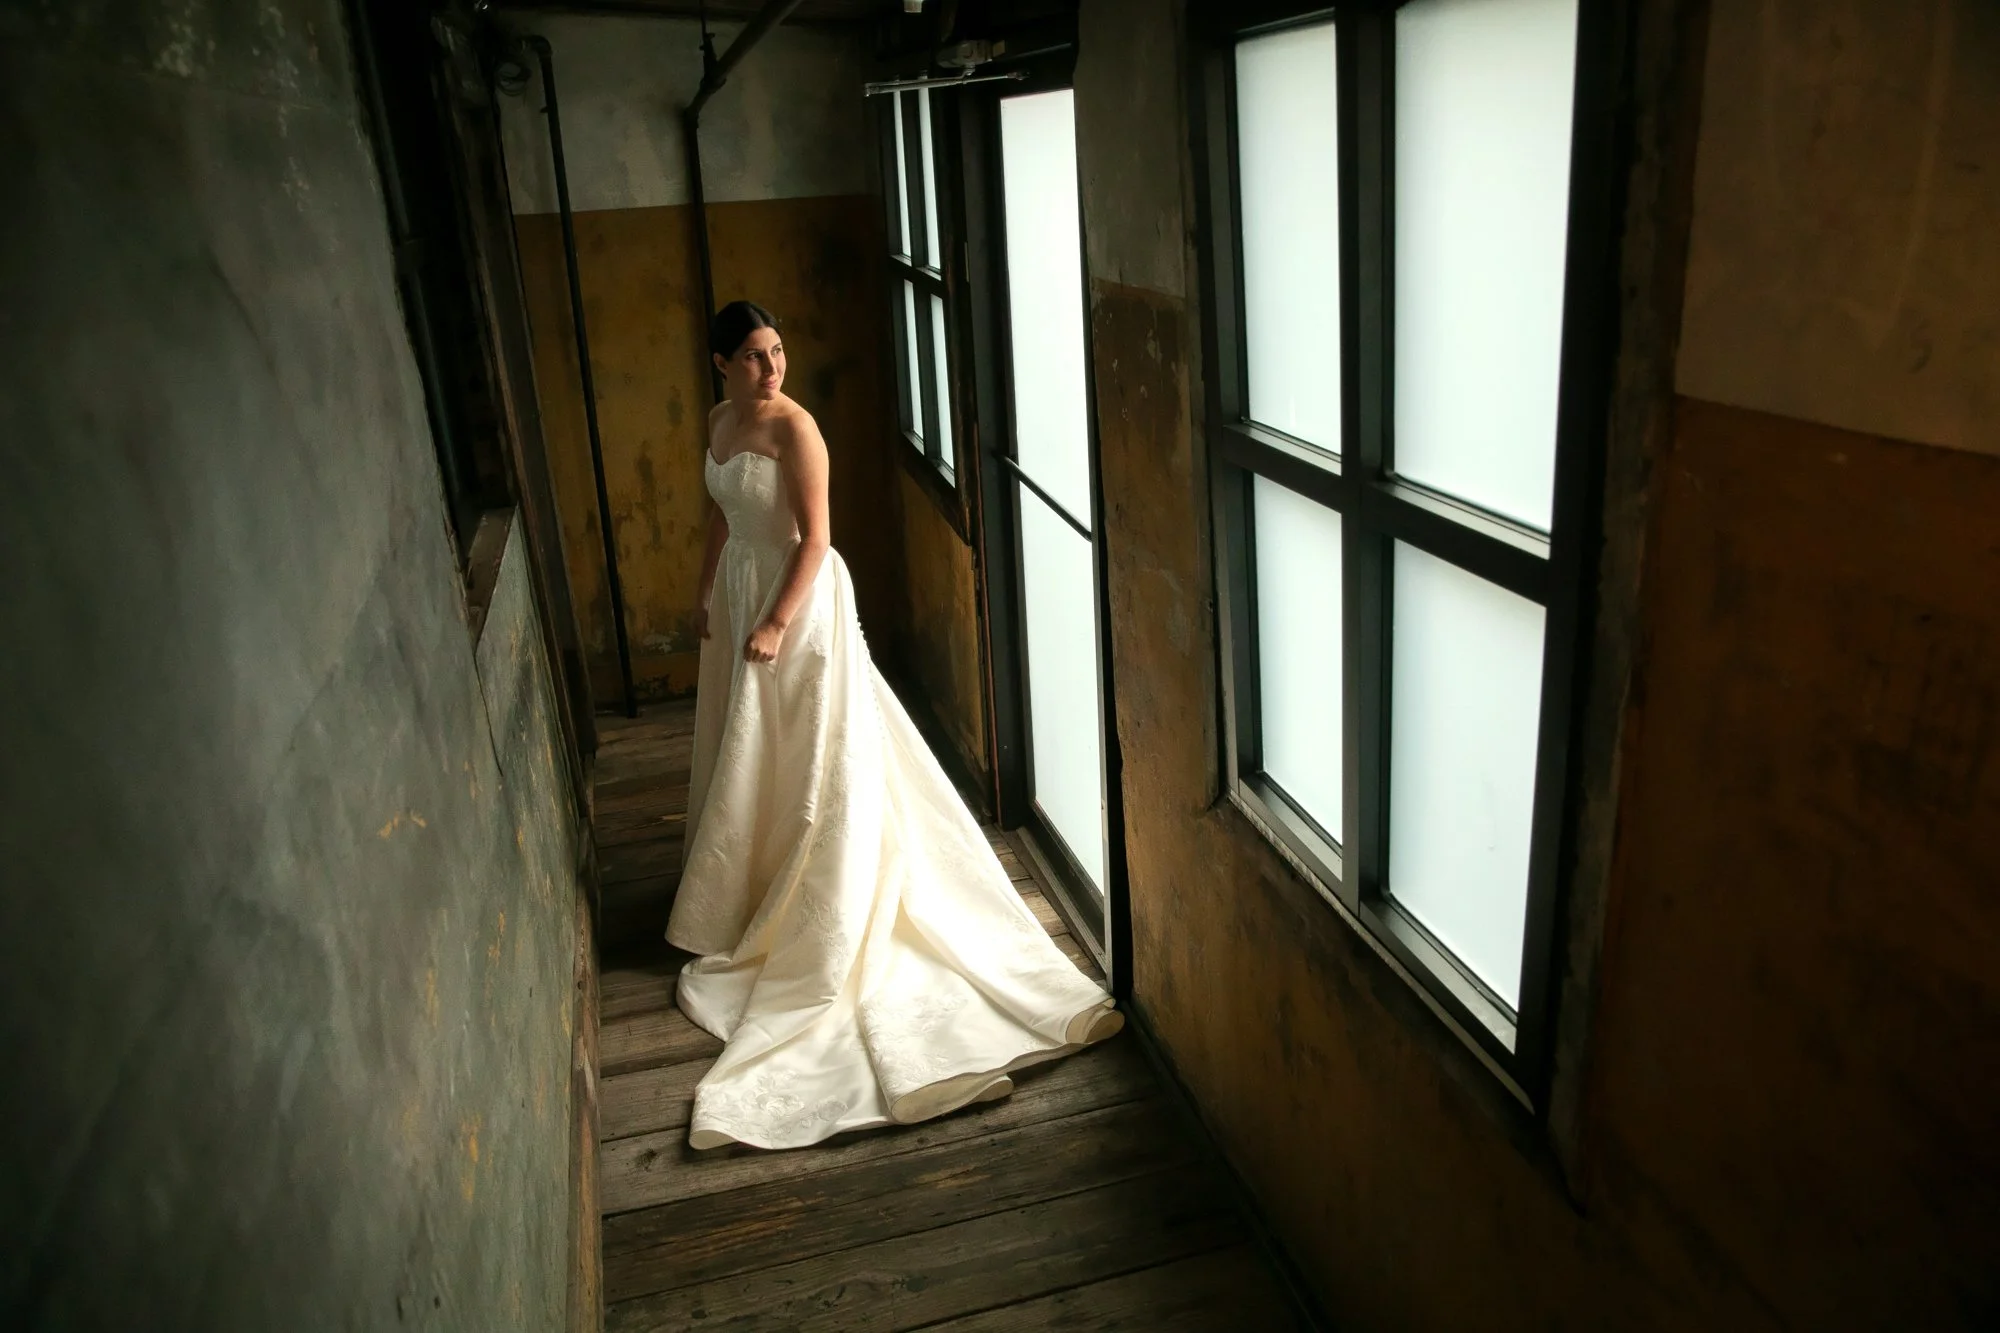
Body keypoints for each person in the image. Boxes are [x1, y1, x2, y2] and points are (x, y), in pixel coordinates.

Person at [666, 300, 1123, 1151]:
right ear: (721, 364)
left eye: (778, 350)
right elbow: (722, 516)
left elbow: (815, 540)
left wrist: (774, 621)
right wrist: (707, 590)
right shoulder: (721, 420)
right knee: (748, 748)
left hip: (796, 603)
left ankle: (824, 886)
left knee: (812, 750)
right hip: (739, 587)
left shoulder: (798, 431)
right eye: (756, 357)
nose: (773, 369)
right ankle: (753, 877)